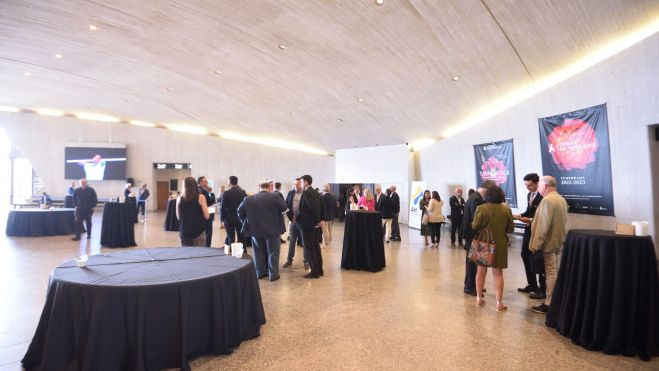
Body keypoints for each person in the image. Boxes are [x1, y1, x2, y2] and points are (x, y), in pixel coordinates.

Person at [529, 175, 568, 314]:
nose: (538, 188)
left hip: (549, 242)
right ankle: (553, 300)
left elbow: (542, 225)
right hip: (557, 240)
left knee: (551, 272)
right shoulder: (561, 199)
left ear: (545, 186)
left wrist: (535, 244)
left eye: (539, 186)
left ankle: (549, 303)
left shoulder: (547, 201)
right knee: (553, 271)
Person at [471, 185, 514, 311]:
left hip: (483, 242)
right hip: (500, 243)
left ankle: (479, 299)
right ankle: (499, 303)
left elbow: (474, 226)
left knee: (481, 271)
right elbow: (510, 229)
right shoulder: (506, 210)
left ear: (487, 196)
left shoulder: (481, 208)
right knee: (498, 273)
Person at [238, 181, 288, 281]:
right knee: (273, 252)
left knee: (258, 252)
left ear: (258, 187)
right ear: (269, 187)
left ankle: (260, 273)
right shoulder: (275, 196)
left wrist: (246, 221)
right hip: (272, 230)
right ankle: (273, 274)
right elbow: (284, 207)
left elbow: (239, 212)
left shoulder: (248, 198)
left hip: (255, 229)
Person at [513, 173, 546, 299]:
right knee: (525, 254)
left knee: (537, 258)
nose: (527, 188)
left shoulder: (543, 197)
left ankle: (542, 288)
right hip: (529, 230)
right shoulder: (529, 195)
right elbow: (529, 212)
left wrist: (529, 219)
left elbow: (541, 216)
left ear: (537, 183)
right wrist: (519, 216)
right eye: (526, 185)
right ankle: (532, 284)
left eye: (530, 185)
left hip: (538, 231)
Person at [461, 181, 494, 296]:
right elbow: (478, 220)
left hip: (470, 233)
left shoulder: (474, 197)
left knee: (471, 261)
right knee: (473, 262)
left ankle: (471, 284)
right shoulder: (477, 200)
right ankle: (470, 286)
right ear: (486, 189)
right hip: (473, 234)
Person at [298, 175, 323, 278]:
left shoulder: (307, 192)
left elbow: (313, 208)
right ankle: (319, 270)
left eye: (302, 182)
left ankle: (314, 272)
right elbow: (320, 206)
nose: (301, 184)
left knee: (309, 248)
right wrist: (319, 220)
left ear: (306, 182)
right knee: (315, 247)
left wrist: (317, 220)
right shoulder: (315, 192)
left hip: (308, 224)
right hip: (313, 224)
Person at [176, 177, 210, 247]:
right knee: (199, 255)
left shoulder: (179, 198)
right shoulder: (201, 197)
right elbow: (207, 216)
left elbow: (178, 217)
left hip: (184, 232)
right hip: (198, 232)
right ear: (195, 185)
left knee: (186, 256)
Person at [283, 178, 307, 269]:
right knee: (292, 241)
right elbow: (286, 206)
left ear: (301, 184)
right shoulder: (290, 193)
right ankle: (289, 260)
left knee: (305, 242)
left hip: (302, 221)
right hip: (293, 221)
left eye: (298, 184)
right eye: (295, 184)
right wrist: (290, 217)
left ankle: (306, 261)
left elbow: (307, 208)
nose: (296, 186)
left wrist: (300, 217)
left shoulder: (305, 194)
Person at [221, 176, 247, 250]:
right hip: (240, 218)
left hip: (229, 219)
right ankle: (243, 253)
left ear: (229, 182)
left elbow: (222, 208)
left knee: (230, 237)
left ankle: (231, 252)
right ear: (237, 182)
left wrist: (222, 219)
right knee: (241, 237)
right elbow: (245, 205)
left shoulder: (226, 193)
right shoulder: (243, 192)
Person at [198, 176, 216, 247]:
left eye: (207, 181)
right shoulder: (203, 191)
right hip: (206, 214)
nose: (207, 182)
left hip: (202, 214)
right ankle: (207, 247)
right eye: (205, 181)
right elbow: (211, 200)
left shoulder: (199, 190)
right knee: (208, 233)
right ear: (200, 182)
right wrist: (211, 193)